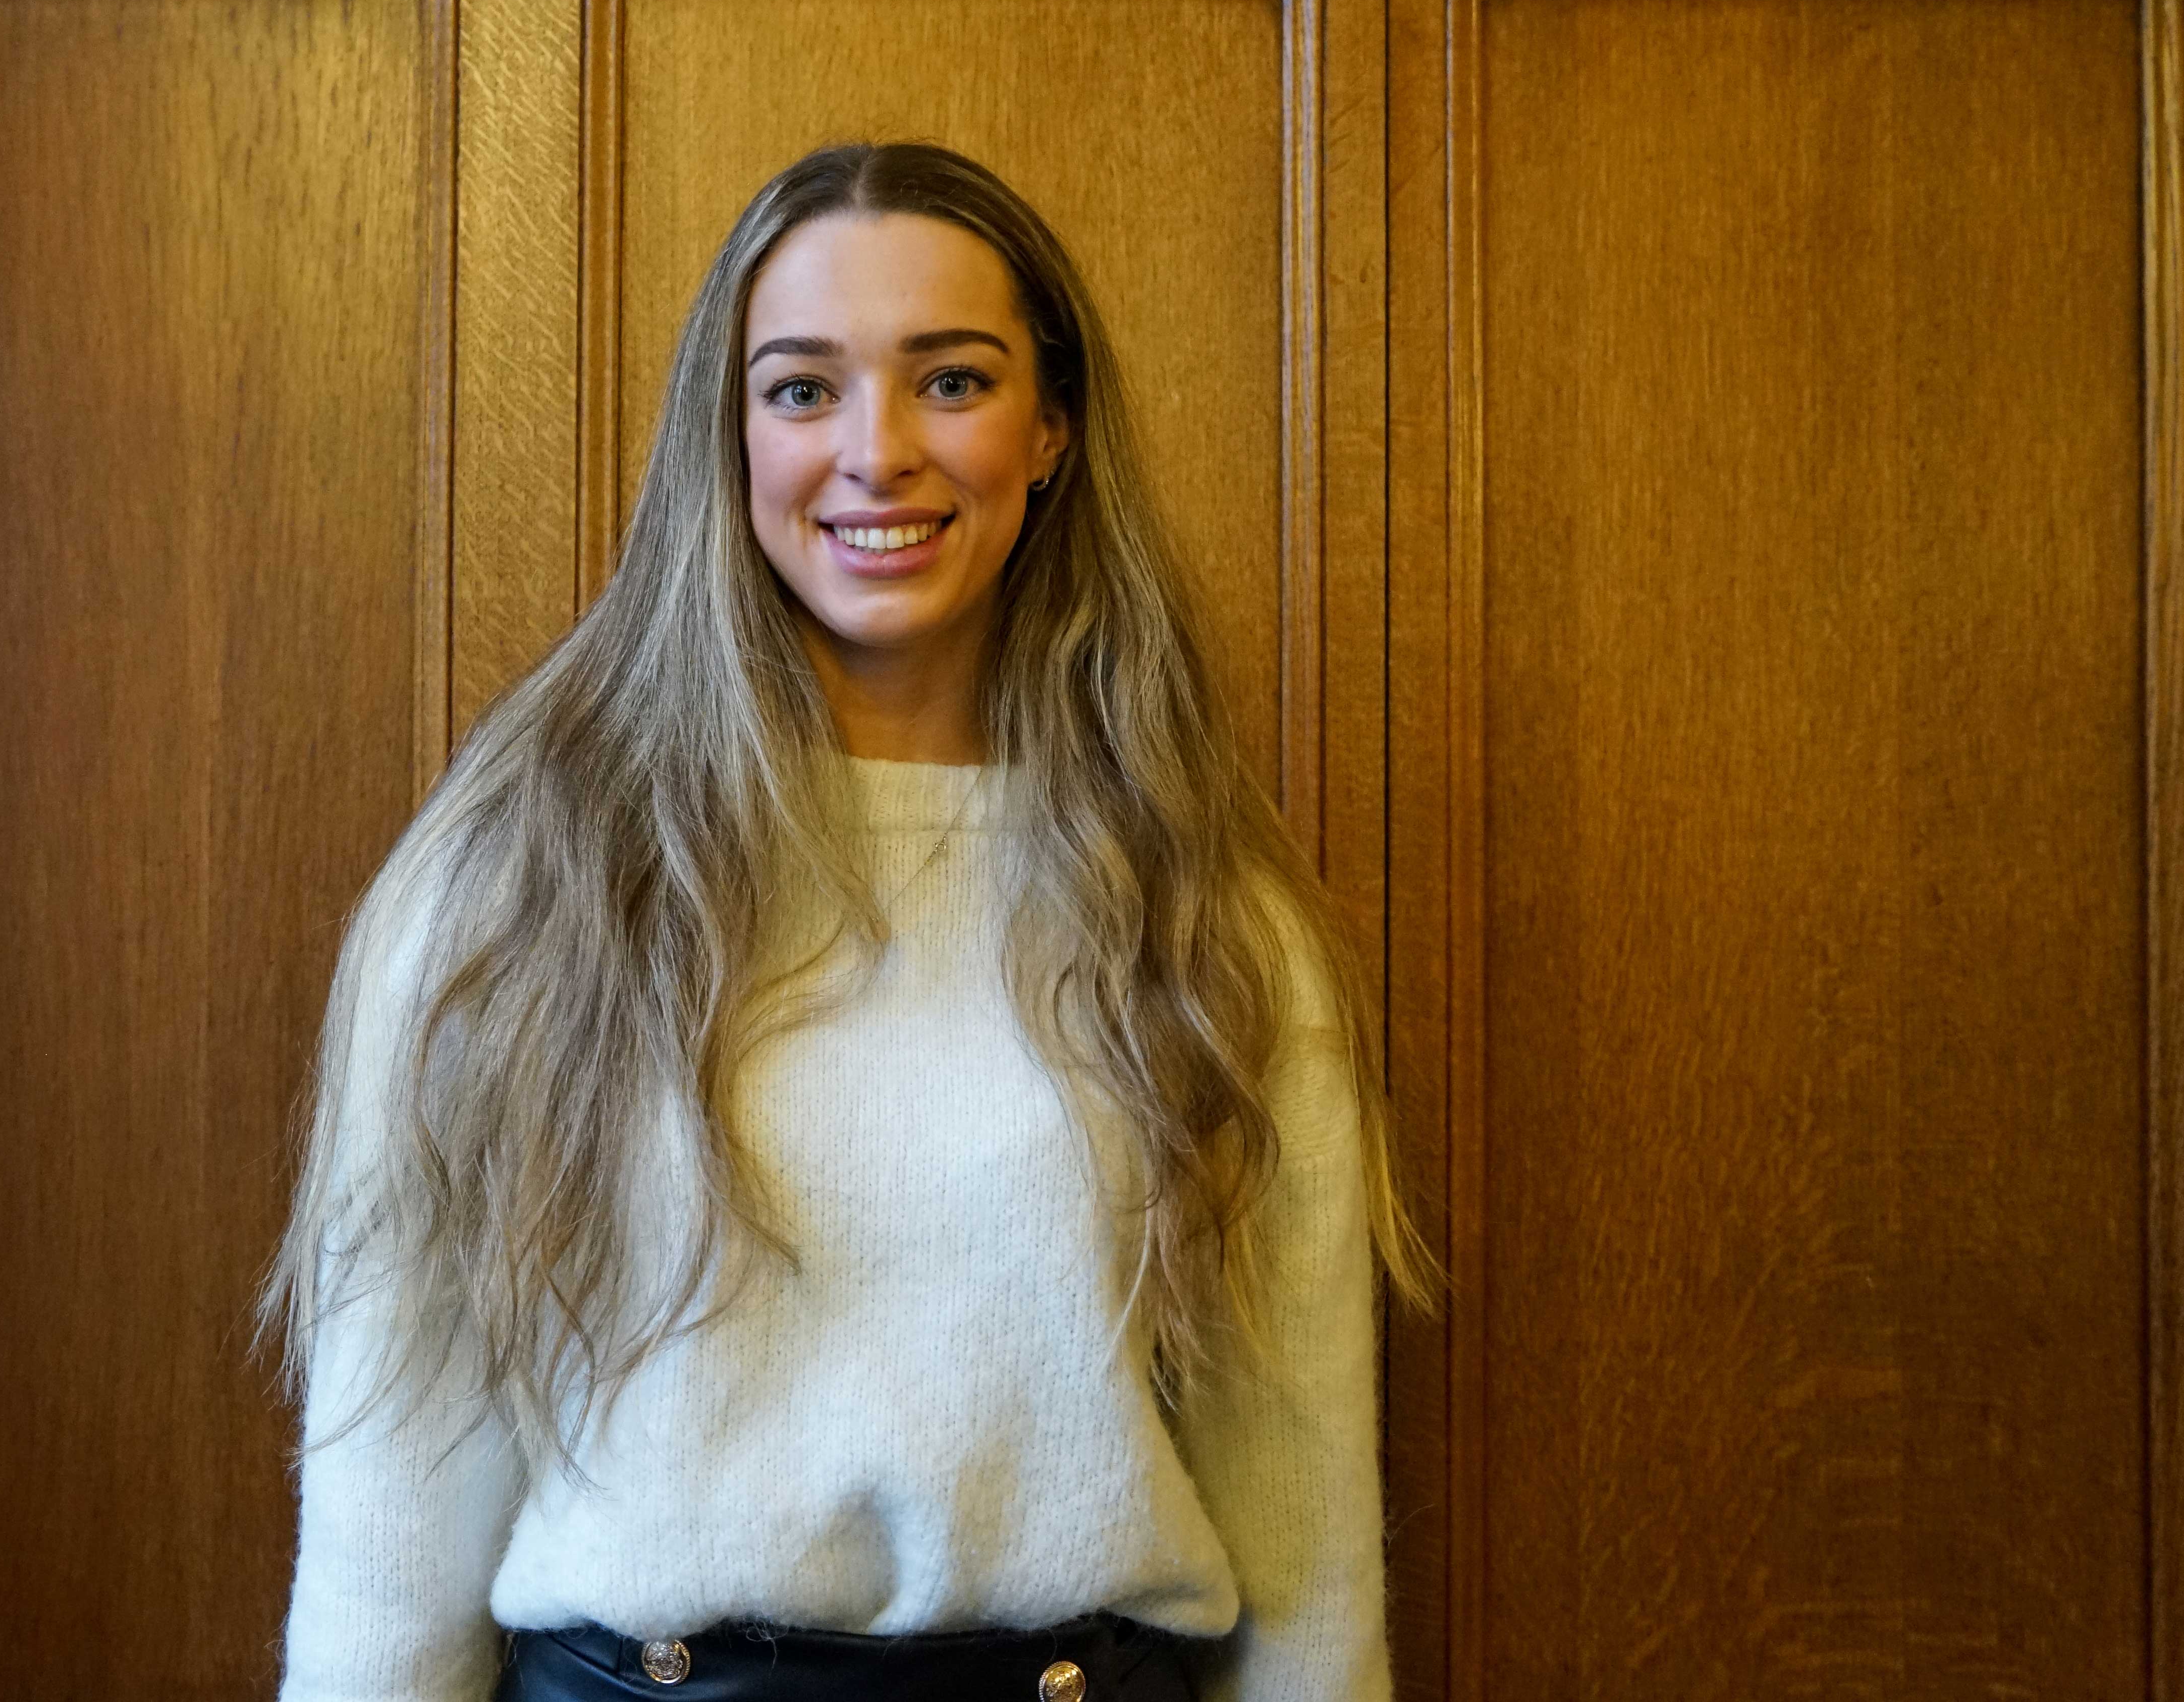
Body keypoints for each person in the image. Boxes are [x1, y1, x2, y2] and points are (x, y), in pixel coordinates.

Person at [256, 139, 1443, 1702]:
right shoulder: (521, 880)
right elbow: (393, 1502)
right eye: (803, 390)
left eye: (951, 380)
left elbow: (1303, 1547)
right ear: (727, 438)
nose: (877, 452)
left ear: (1051, 432)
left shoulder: (1201, 910)